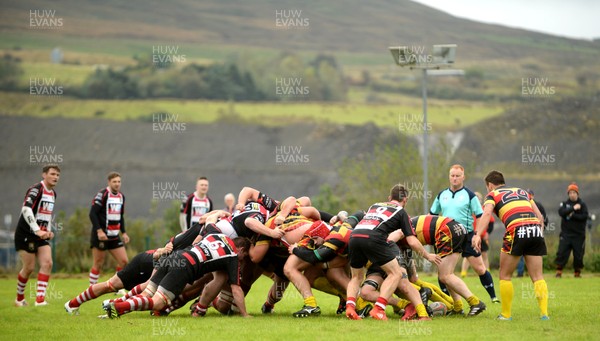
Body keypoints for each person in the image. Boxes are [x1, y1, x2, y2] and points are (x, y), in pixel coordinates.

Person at [345, 184, 441, 321]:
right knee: (396, 274)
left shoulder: (375, 205)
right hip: (377, 242)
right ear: (405, 200)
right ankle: (379, 309)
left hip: (355, 237)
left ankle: (350, 308)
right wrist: (427, 256)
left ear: (389, 198)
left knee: (356, 277)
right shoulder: (401, 212)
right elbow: (412, 241)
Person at [103, 233, 251, 319]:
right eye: (244, 256)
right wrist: (245, 314)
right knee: (158, 302)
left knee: (147, 292)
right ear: (241, 249)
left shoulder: (216, 235)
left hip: (176, 256)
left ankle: (116, 306)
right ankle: (118, 306)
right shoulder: (232, 256)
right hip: (185, 266)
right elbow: (236, 289)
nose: (242, 260)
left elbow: (202, 234)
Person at [472, 170, 549, 321]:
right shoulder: (521, 191)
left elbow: (486, 214)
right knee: (538, 276)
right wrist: (537, 233)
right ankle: (544, 314)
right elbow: (540, 216)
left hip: (516, 229)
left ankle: (506, 315)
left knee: (505, 275)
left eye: (487, 187)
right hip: (534, 229)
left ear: (490, 185)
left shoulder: (492, 195)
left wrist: (477, 234)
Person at [430, 164, 499, 303]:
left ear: (463, 177)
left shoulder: (470, 195)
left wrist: (476, 235)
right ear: (449, 177)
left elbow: (480, 215)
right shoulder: (441, 195)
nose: (454, 178)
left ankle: (493, 297)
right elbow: (431, 215)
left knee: (480, 268)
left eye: (457, 176)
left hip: (466, 236)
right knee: (443, 271)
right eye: (452, 176)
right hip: (447, 236)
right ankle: (449, 302)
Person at [411, 215, 486, 317]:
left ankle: (475, 302)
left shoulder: (398, 235)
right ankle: (458, 307)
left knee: (445, 276)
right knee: (446, 274)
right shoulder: (401, 226)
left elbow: (412, 246)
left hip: (446, 230)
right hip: (456, 228)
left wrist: (427, 256)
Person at [14, 164, 60, 307]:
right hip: (26, 233)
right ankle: (19, 299)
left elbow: (44, 215)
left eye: (58, 175)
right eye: (52, 174)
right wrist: (37, 230)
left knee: (47, 263)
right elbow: (26, 209)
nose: (55, 177)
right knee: (28, 268)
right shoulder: (36, 189)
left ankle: (40, 300)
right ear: (44, 175)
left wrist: (47, 230)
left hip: (40, 235)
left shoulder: (53, 194)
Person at [88, 172, 129, 287]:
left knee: (124, 261)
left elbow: (121, 216)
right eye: (114, 181)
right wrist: (99, 231)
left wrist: (124, 232)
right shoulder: (102, 194)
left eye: (119, 182)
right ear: (109, 182)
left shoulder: (121, 197)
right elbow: (92, 214)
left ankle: (116, 285)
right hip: (101, 235)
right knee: (98, 263)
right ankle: (92, 288)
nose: (117, 184)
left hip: (114, 235)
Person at [555, 182, 589, 278]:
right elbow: (561, 212)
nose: (572, 194)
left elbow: (584, 216)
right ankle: (559, 272)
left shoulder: (582, 204)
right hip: (566, 234)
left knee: (578, 255)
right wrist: (573, 208)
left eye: (574, 192)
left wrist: (573, 215)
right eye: (570, 193)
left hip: (579, 235)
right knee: (561, 253)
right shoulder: (564, 204)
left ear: (577, 194)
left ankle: (577, 273)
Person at [461, 192, 494, 276]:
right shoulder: (468, 209)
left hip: (481, 236)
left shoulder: (484, 209)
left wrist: (487, 233)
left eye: (479, 199)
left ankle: (487, 271)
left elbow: (491, 222)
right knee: (467, 255)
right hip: (471, 235)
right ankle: (463, 272)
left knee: (484, 254)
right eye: (476, 198)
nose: (477, 200)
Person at [517, 189, 548, 277]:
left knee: (535, 255)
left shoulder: (538, 206)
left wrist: (541, 232)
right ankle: (520, 273)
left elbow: (543, 219)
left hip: (535, 233)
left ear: (532, 196)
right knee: (521, 255)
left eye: (529, 195)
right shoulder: (521, 205)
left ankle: (535, 273)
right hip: (523, 232)